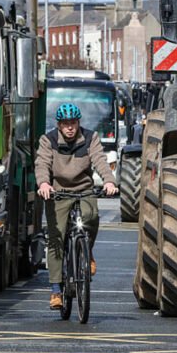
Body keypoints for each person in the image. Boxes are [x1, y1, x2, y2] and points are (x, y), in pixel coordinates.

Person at [36, 103, 118, 310]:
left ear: (78, 123)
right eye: (66, 124)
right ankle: (56, 290)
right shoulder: (48, 140)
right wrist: (44, 183)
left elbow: (100, 160)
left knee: (91, 217)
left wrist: (109, 181)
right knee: (56, 237)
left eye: (73, 123)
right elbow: (42, 163)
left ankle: (86, 251)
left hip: (84, 190)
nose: (70, 128)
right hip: (58, 191)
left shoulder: (90, 138)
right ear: (59, 125)